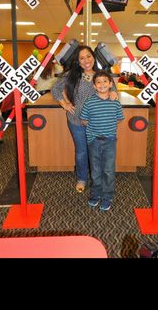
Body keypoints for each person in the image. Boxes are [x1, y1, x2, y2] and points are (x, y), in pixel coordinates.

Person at [51, 45, 118, 193]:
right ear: (78, 61)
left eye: (88, 56)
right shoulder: (72, 75)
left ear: (93, 57)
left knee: (97, 152)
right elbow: (55, 89)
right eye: (82, 58)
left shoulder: (100, 75)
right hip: (76, 120)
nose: (86, 60)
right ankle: (82, 178)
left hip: (97, 122)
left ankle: (98, 179)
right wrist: (64, 104)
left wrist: (113, 92)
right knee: (81, 151)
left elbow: (112, 87)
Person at [80, 70, 124, 211]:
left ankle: (107, 196)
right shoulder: (89, 102)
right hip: (94, 141)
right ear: (94, 86)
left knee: (109, 170)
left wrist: (106, 128)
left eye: (105, 81)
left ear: (111, 83)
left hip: (110, 141)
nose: (102, 84)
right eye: (98, 82)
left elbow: (119, 119)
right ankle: (96, 194)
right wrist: (95, 131)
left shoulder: (115, 102)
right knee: (96, 170)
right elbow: (84, 120)